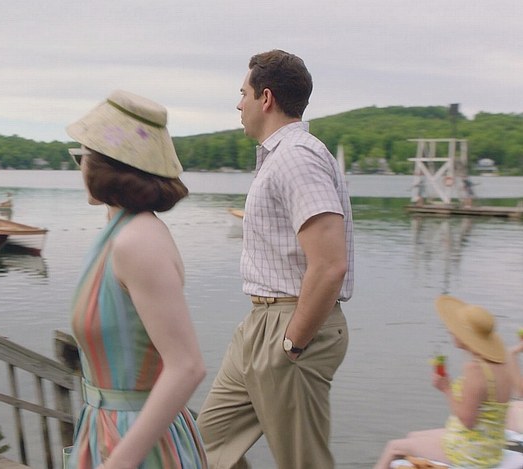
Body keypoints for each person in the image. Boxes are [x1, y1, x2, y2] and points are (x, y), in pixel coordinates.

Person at [196, 49, 354, 469]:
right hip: (261, 323)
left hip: (291, 326)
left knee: (303, 462)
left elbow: (330, 264)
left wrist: (293, 342)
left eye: (242, 93)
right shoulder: (280, 157)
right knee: (201, 449)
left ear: (265, 98)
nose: (238, 104)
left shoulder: (297, 157)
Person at [64, 90, 207, 469]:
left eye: (81, 156)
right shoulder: (118, 233)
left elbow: (187, 366)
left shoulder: (138, 240)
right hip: (109, 431)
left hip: (137, 445)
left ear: (105, 165)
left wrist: (119, 462)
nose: (79, 166)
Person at [374, 296, 513, 469]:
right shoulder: (502, 363)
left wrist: (446, 388)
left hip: (472, 453)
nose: (450, 331)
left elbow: (467, 421)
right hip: (491, 448)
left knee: (394, 447)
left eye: (455, 328)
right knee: (412, 436)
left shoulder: (475, 369)